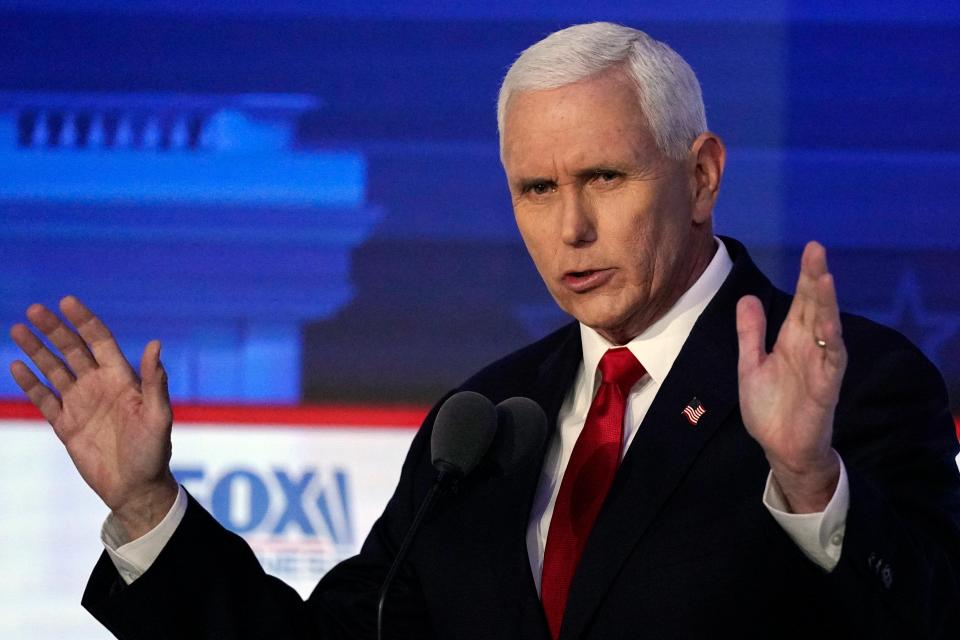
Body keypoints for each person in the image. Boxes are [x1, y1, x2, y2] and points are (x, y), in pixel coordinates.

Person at [9, 22, 960, 640]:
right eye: (537, 190)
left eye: (606, 179)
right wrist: (145, 510)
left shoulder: (857, 386)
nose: (570, 228)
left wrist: (809, 482)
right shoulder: (486, 424)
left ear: (702, 174)